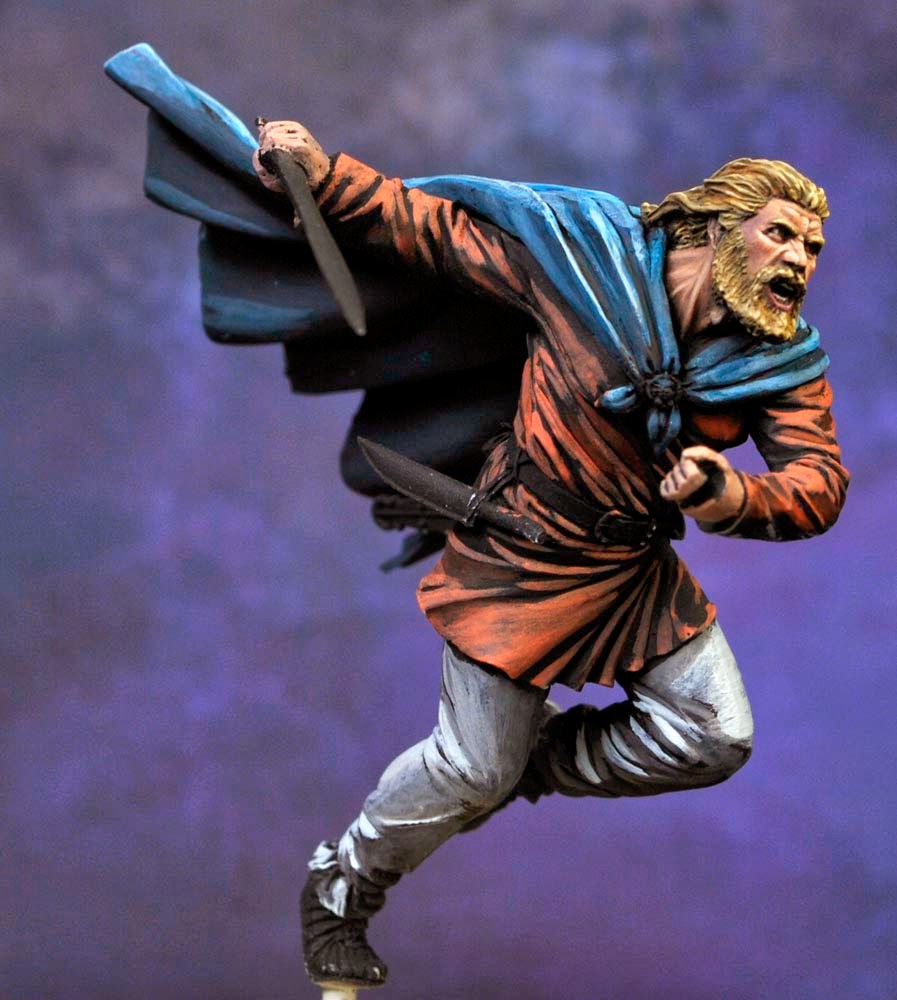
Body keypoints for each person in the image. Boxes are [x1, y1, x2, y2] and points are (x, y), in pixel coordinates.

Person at [253, 123, 848, 990]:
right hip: (520, 558)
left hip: (632, 572)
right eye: (780, 234)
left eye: (811, 247)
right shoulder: (584, 264)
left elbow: (816, 483)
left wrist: (731, 497)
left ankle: (518, 766)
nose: (797, 260)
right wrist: (325, 174)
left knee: (713, 737)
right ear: (715, 229)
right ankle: (343, 881)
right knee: (465, 769)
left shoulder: (781, 359)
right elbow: (433, 231)